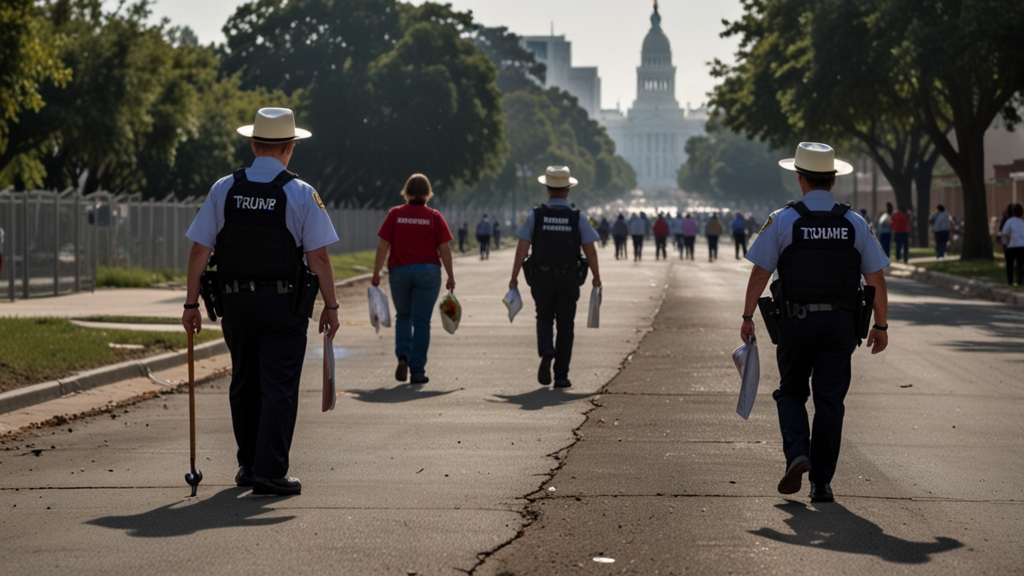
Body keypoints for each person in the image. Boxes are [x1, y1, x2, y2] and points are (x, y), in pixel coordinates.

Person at [182, 107, 340, 496]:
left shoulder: (225, 188)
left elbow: (200, 250)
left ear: (254, 144)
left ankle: (249, 466)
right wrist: (331, 306)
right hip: (283, 306)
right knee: (279, 387)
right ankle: (271, 471)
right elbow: (318, 258)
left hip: (235, 304)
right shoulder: (300, 193)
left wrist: (191, 304)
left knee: (244, 382)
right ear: (289, 148)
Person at [741, 142, 890, 504]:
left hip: (795, 323)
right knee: (830, 403)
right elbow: (877, 279)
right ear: (833, 180)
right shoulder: (854, 223)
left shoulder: (783, 219)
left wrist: (747, 317)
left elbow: (761, 273)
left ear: (801, 179)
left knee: (791, 391)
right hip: (841, 325)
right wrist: (881, 325)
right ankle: (821, 484)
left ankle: (797, 454)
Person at [509, 166, 601, 389]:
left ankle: (547, 351)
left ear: (548, 189)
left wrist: (514, 276)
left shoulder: (536, 215)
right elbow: (590, 250)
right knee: (565, 326)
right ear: (568, 190)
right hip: (569, 278)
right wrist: (596, 277)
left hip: (541, 277)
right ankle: (561, 376)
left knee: (543, 318)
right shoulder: (577, 217)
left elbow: (522, 247)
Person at [371, 174, 455, 385]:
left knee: (404, 317)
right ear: (428, 193)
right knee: (422, 323)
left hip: (399, 271)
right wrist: (451, 276)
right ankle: (417, 370)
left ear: (406, 191)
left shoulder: (395, 214)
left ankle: (402, 357)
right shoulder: (434, 216)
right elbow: (444, 249)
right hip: (428, 272)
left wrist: (376, 273)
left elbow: (383, 246)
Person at [1001, 203, 1024, 286]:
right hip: (1022, 246)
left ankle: (1010, 281)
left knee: (1009, 265)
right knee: (1020, 265)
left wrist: (1006, 242)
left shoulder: (1010, 221)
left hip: (1012, 246)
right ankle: (1020, 280)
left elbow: (1004, 233)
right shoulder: (1022, 222)